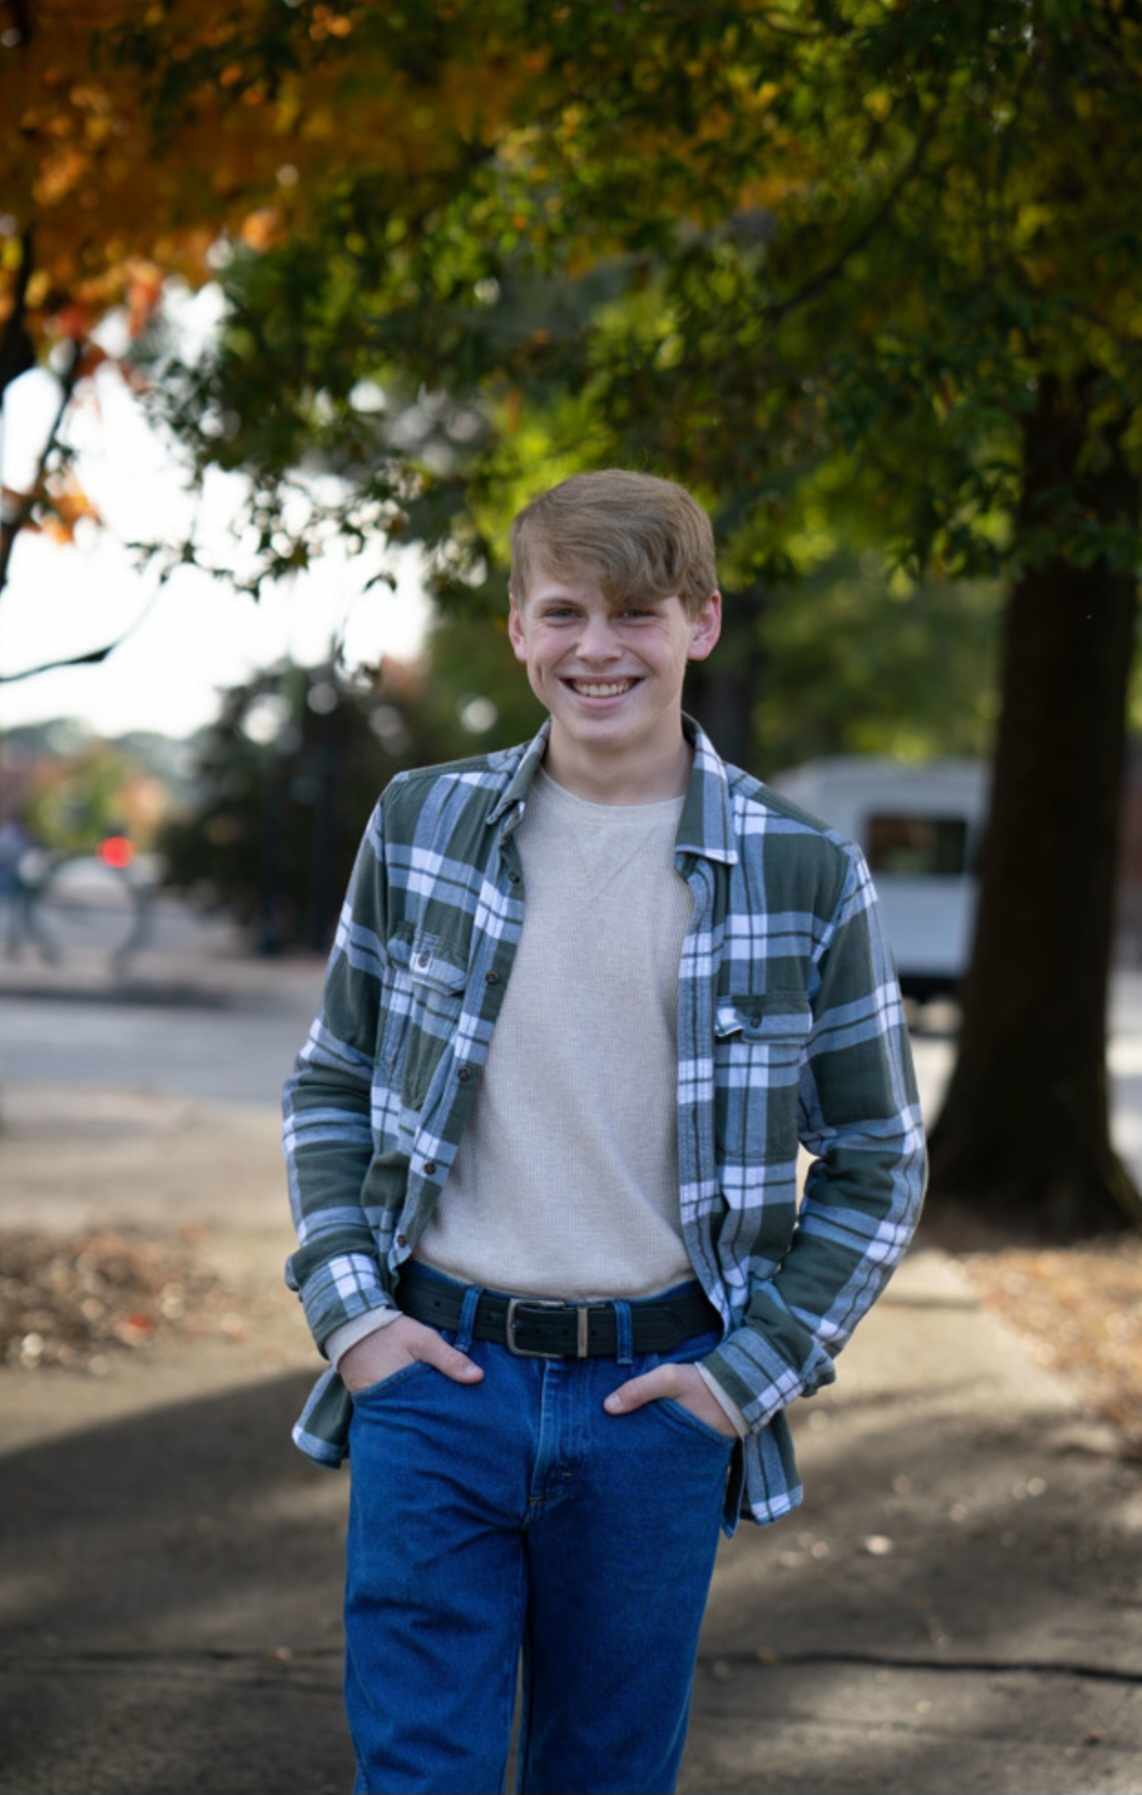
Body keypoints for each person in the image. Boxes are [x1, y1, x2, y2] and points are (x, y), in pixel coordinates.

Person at [281, 469, 928, 1795]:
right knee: (418, 1774)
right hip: (433, 1381)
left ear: (699, 622)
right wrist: (354, 1320)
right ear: (517, 628)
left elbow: (876, 1159)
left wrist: (735, 1384)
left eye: (634, 613)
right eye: (564, 611)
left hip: (658, 1407)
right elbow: (332, 1081)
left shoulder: (798, 868)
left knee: (606, 1778)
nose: (596, 648)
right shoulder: (423, 829)